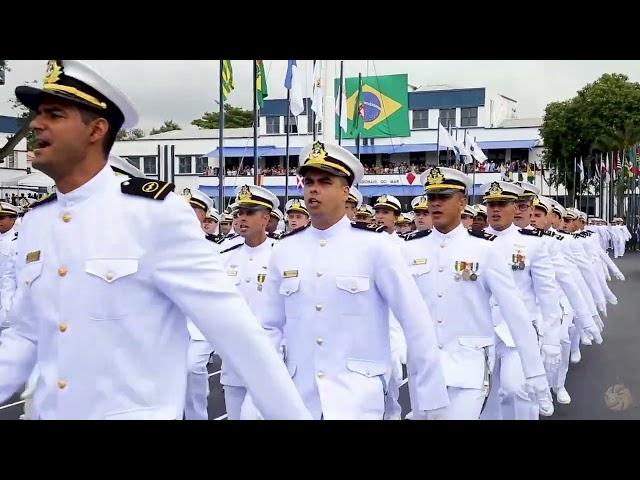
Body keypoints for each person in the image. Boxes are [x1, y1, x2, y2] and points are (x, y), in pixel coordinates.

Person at [0, 59, 310, 420]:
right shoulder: (38, 220)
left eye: (54, 114)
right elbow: (25, 334)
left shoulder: (154, 214)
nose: (37, 124)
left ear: (96, 129)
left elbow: (235, 332)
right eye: (39, 113)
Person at [248, 140, 450, 419]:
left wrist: (430, 399)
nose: (313, 189)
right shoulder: (284, 250)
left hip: (357, 397)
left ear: (346, 192)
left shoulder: (376, 247)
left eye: (325, 182)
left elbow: (416, 323)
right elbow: (269, 328)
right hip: (298, 398)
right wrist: (257, 394)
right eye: (308, 182)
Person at [402, 168, 547, 419]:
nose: (435, 204)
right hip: (423, 367)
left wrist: (534, 372)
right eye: (431, 197)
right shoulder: (409, 249)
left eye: (444, 197)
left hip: (467, 365)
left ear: (462, 202)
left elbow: (516, 314)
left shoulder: (484, 251)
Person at [479, 181, 559, 419]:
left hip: (517, 332)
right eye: (491, 204)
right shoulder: (473, 242)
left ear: (515, 208)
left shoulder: (532, 244)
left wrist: (552, 339)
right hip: (480, 331)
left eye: (501, 203)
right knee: (485, 396)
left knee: (516, 390)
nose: (495, 209)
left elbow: (547, 294)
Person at [219, 185, 280, 419]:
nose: (241, 218)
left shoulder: (281, 253)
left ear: (266, 218)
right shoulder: (225, 255)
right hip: (234, 355)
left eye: (249, 212)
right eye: (238, 213)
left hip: (271, 354)